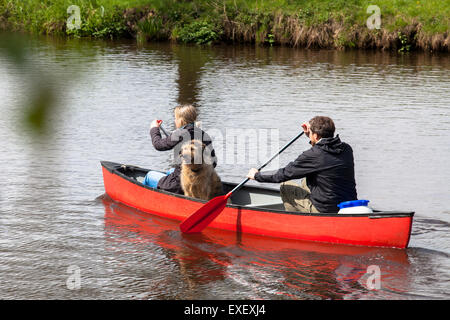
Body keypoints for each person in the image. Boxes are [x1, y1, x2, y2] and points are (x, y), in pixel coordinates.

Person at [247, 116, 357, 213]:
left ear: (316, 136)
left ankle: (295, 220)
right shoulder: (346, 148)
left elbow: (284, 174)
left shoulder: (313, 155)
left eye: (311, 134)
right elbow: (323, 155)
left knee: (285, 186)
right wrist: (309, 134)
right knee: (305, 181)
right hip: (348, 205)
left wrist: (257, 176)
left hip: (326, 209)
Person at [144, 104, 217, 195]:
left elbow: (158, 144)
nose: (175, 121)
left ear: (181, 120)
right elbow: (213, 163)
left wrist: (154, 128)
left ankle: (145, 199)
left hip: (180, 185)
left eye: (175, 118)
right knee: (171, 171)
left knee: (149, 176)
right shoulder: (204, 135)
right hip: (200, 184)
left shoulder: (180, 133)